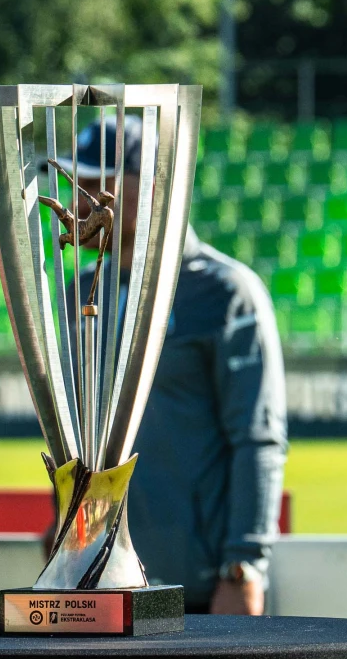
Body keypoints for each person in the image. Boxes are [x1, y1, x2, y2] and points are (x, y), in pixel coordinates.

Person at [64, 115, 287, 615]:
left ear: (151, 186)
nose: (79, 200)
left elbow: (257, 439)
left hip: (199, 587)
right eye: (75, 183)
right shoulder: (79, 292)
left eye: (97, 183)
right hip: (98, 578)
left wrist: (244, 564)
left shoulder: (224, 292)